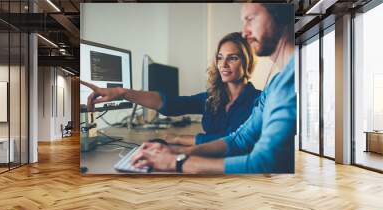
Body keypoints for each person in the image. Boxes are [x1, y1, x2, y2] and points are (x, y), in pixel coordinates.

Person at [131, 3, 296, 174]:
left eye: (250, 19)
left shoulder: (290, 82)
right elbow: (239, 140)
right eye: (220, 58)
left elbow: (263, 163)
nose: (244, 32)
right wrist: (178, 151)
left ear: (280, 14)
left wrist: (177, 161)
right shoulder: (275, 84)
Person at [81, 32, 260, 146]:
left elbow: (235, 141)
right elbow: (171, 104)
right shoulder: (212, 98)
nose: (224, 64)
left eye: (233, 58)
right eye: (220, 58)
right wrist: (123, 93)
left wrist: (179, 139)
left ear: (247, 62)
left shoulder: (259, 101)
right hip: (207, 163)